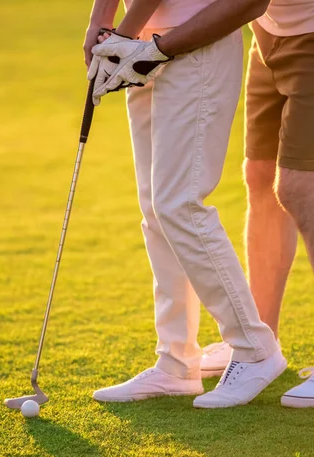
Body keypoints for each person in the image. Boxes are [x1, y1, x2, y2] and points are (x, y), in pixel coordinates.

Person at [90, 0, 314, 408]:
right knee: (259, 179)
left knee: (301, 190)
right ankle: (250, 337)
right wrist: (107, 24)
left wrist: (145, 40)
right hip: (272, 33)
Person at [84, 0, 286, 408]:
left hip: (195, 42)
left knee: (179, 204)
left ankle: (255, 348)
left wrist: (122, 30)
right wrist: (101, 22)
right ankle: (176, 362)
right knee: (156, 211)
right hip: (139, 48)